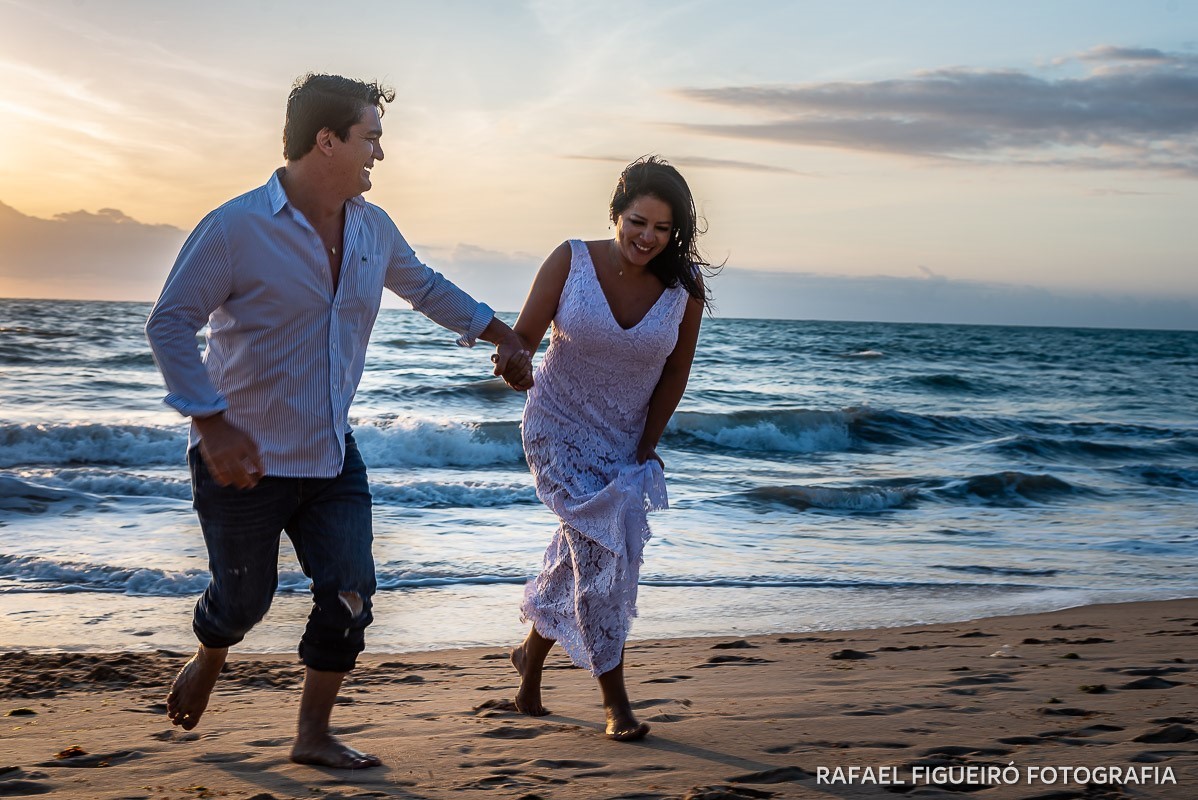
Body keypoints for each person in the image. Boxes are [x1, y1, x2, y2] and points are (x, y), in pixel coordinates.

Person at [144, 73, 532, 770]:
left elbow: (426, 287)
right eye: (370, 137)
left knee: (351, 593)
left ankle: (312, 735)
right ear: (327, 141)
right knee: (243, 603)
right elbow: (169, 323)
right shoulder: (235, 228)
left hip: (330, 456)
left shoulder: (373, 229)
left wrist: (500, 333)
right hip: (243, 459)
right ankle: (210, 653)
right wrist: (212, 424)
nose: (380, 152)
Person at [508, 156, 713, 741]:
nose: (647, 237)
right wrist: (515, 363)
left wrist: (646, 446)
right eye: (637, 222)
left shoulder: (683, 289)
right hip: (556, 428)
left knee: (584, 556)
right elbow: (524, 338)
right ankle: (616, 703)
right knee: (602, 558)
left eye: (662, 228)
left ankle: (529, 661)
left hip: (622, 441)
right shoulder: (571, 260)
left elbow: (676, 372)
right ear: (616, 214)